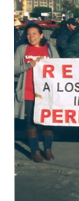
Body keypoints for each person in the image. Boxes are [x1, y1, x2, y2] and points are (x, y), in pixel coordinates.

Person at [14, 24, 60, 162]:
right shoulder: (22, 49)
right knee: (30, 122)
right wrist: (29, 65)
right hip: (28, 91)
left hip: (46, 92)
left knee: (48, 121)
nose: (31, 36)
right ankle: (35, 151)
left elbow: (60, 67)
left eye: (34, 34)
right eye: (28, 34)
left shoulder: (50, 49)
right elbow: (13, 68)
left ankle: (47, 149)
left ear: (41, 35)